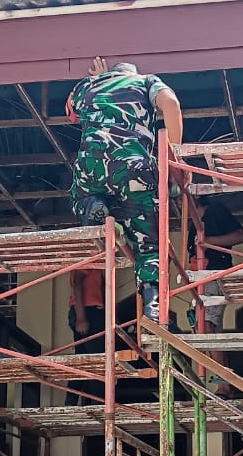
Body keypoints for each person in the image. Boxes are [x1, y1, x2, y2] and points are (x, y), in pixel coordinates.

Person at [67, 56, 183, 324]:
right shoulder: (146, 82)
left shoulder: (86, 87)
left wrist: (97, 80)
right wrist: (173, 159)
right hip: (134, 170)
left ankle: (93, 208)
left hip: (92, 167)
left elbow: (71, 111)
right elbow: (171, 104)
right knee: (150, 245)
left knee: (79, 195)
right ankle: (153, 307)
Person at [187, 199, 243, 333]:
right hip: (202, 280)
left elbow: (241, 236)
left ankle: (204, 355)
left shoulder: (215, 210)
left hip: (215, 276)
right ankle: (209, 355)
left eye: (181, 197)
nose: (179, 202)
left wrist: (208, 241)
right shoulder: (193, 225)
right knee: (206, 327)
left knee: (205, 324)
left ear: (196, 195)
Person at [64, 267, 105, 405]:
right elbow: (77, 283)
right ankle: (98, 403)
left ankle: (71, 401)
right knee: (96, 360)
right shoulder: (90, 258)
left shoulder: (98, 264)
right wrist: (81, 317)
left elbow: (103, 288)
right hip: (88, 311)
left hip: (90, 311)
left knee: (83, 359)